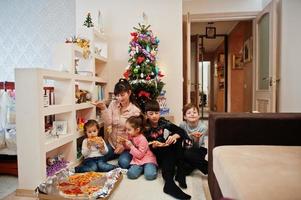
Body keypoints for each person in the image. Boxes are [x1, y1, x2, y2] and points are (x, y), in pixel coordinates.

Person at [144, 100, 192, 200]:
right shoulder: (144, 126)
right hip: (155, 153)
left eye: (156, 113)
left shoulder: (162, 122)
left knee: (175, 138)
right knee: (168, 152)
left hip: (165, 148)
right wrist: (154, 145)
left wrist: (174, 136)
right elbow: (142, 144)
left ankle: (180, 172)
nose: (154, 116)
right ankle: (169, 183)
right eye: (151, 114)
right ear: (146, 114)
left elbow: (181, 131)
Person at [93, 78, 140, 169]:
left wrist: (124, 145)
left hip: (127, 147)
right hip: (112, 144)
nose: (119, 98)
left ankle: (117, 162)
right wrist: (103, 108)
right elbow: (108, 122)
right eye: (117, 95)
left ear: (129, 93)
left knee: (124, 163)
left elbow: (135, 134)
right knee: (97, 158)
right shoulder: (113, 104)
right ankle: (113, 168)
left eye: (122, 95)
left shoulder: (135, 111)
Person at [121, 115, 157, 180]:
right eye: (126, 129)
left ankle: (148, 167)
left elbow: (140, 155)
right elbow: (129, 149)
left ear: (137, 130)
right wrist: (124, 144)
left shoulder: (142, 139)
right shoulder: (130, 136)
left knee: (150, 175)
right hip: (137, 160)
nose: (126, 132)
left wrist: (131, 146)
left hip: (147, 159)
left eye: (129, 130)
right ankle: (142, 168)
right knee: (130, 174)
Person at [179, 103, 208, 175]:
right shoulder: (182, 125)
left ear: (198, 115)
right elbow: (181, 141)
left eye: (194, 112)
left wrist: (196, 139)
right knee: (185, 169)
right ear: (185, 117)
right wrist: (190, 135)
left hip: (199, 149)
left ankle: (210, 169)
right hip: (186, 148)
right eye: (189, 113)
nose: (192, 114)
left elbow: (197, 147)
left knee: (188, 154)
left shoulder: (203, 127)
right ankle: (195, 162)